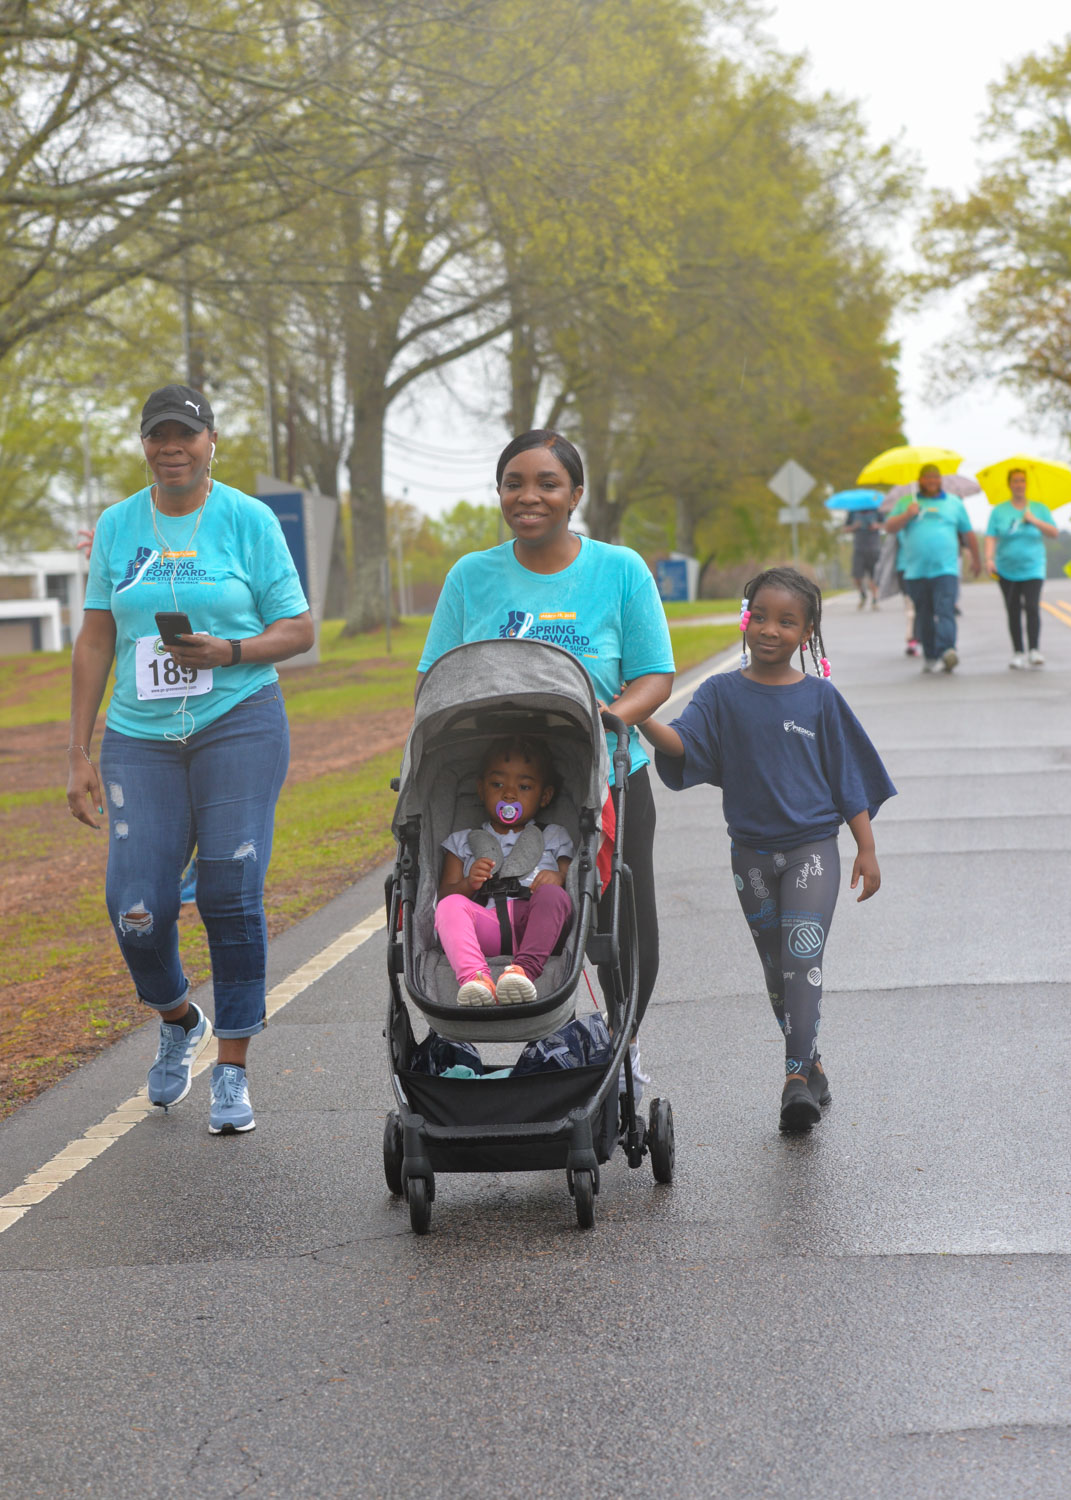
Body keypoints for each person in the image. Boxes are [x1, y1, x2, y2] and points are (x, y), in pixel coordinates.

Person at [66, 383, 314, 1135]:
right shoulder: (118, 525)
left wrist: (229, 650)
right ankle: (178, 1018)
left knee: (231, 888)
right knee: (137, 908)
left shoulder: (246, 519)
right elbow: (97, 637)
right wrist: (77, 748)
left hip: (237, 718)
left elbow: (298, 630)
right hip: (140, 734)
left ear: (210, 442)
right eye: (158, 436)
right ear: (144, 444)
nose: (171, 447)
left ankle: (232, 1071)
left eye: (185, 435)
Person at [417, 429, 675, 1061]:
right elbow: (433, 679)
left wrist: (609, 719)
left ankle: (623, 1044)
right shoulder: (471, 577)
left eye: (547, 483)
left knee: (617, 924)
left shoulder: (619, 570)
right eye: (514, 483)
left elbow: (655, 675)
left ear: (575, 495)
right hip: (493, 784)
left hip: (606, 776)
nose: (528, 497)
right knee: (512, 909)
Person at [638, 567, 895, 1132]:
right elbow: (686, 744)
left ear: (807, 633)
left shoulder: (821, 698)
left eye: (787, 621)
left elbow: (848, 777)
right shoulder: (720, 692)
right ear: (745, 618)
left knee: (803, 959)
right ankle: (814, 1065)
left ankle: (794, 1082)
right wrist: (641, 719)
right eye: (760, 615)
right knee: (778, 971)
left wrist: (866, 849)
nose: (770, 629)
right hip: (750, 856)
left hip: (811, 850)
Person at [436, 735, 574, 1005]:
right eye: (497, 784)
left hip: (536, 926)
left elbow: (575, 880)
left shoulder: (554, 835)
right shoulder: (462, 841)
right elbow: (443, 895)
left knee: (553, 896)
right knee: (450, 905)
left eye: (523, 786)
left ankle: (523, 971)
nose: (509, 794)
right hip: (485, 926)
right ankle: (476, 978)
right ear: (481, 789)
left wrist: (558, 878)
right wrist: (467, 884)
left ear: (544, 796)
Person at [883, 463, 981, 673]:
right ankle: (930, 655)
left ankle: (947, 650)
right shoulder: (907, 502)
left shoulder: (954, 503)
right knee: (924, 613)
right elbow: (890, 527)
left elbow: (968, 532)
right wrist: (907, 514)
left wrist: (976, 558)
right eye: (927, 477)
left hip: (946, 569)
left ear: (940, 480)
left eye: (935, 477)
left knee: (945, 609)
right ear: (920, 480)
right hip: (916, 571)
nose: (931, 481)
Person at [985, 467, 1058, 669]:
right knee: (1013, 609)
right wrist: (989, 558)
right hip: (1006, 568)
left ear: (1026, 484)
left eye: (1022, 481)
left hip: (1033, 566)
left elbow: (1053, 532)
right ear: (1009, 484)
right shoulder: (999, 511)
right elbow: (991, 535)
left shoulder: (1039, 508)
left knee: (1032, 607)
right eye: (1015, 481)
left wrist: (1034, 520)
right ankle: (1018, 651)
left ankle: (1034, 649)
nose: (1019, 484)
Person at [843, 505, 882, 609]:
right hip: (859, 549)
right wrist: (854, 527)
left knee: (874, 576)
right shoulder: (853, 511)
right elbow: (845, 529)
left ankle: (874, 600)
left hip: (874, 548)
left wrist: (876, 525)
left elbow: (885, 524)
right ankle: (863, 594)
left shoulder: (876, 510)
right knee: (857, 577)